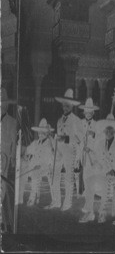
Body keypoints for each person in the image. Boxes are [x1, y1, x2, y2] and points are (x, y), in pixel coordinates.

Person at [79, 114, 115, 223]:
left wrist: (114, 171)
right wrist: (90, 152)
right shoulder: (100, 143)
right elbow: (97, 159)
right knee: (89, 180)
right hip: (102, 173)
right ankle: (89, 212)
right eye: (106, 129)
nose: (108, 132)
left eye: (110, 130)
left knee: (106, 180)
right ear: (104, 130)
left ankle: (102, 212)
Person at [50, 88, 84, 211]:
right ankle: (56, 201)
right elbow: (58, 136)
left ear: (72, 106)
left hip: (70, 151)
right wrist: (55, 145)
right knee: (55, 175)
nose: (65, 107)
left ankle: (67, 202)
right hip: (59, 151)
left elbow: (80, 138)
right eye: (64, 104)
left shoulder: (76, 120)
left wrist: (67, 139)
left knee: (68, 177)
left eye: (68, 105)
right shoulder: (59, 120)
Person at [19, 119, 56, 206]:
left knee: (51, 179)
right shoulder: (36, 143)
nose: (40, 135)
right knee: (34, 175)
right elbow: (28, 150)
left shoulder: (49, 143)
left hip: (47, 166)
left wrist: (43, 165)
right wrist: (26, 155)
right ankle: (32, 198)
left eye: (43, 133)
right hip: (37, 167)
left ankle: (55, 200)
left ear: (47, 134)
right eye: (39, 133)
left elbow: (50, 156)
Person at [1, 87, 17, 231]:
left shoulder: (12, 122)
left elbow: (14, 142)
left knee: (2, 189)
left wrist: (12, 159)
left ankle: (3, 224)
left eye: (5, 103)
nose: (3, 105)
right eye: (1, 102)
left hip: (4, 161)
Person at [76, 98, 99, 196]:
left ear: (93, 112)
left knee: (91, 172)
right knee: (83, 171)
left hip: (92, 153)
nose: (88, 113)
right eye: (86, 111)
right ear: (84, 112)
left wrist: (94, 134)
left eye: (90, 112)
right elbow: (78, 138)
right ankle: (83, 190)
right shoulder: (80, 123)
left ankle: (90, 191)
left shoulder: (96, 124)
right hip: (82, 151)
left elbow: (99, 139)